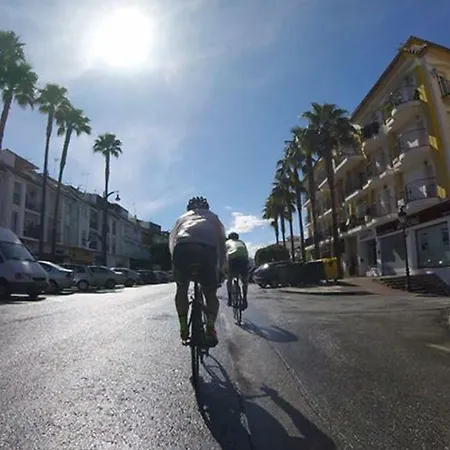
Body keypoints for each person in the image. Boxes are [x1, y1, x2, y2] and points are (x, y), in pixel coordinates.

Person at [169, 196, 226, 347]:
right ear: (207, 208)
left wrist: (175, 265)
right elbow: (221, 243)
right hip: (206, 252)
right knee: (210, 294)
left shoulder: (181, 219)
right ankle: (210, 328)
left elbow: (172, 242)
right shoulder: (213, 217)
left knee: (181, 289)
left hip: (182, 250)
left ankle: (183, 328)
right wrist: (220, 268)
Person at [225, 232, 249, 310]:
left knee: (229, 279)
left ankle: (229, 298)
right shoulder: (242, 242)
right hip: (243, 259)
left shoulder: (227, 242)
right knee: (244, 280)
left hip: (233, 259)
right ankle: (244, 298)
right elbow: (246, 253)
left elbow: (224, 255)